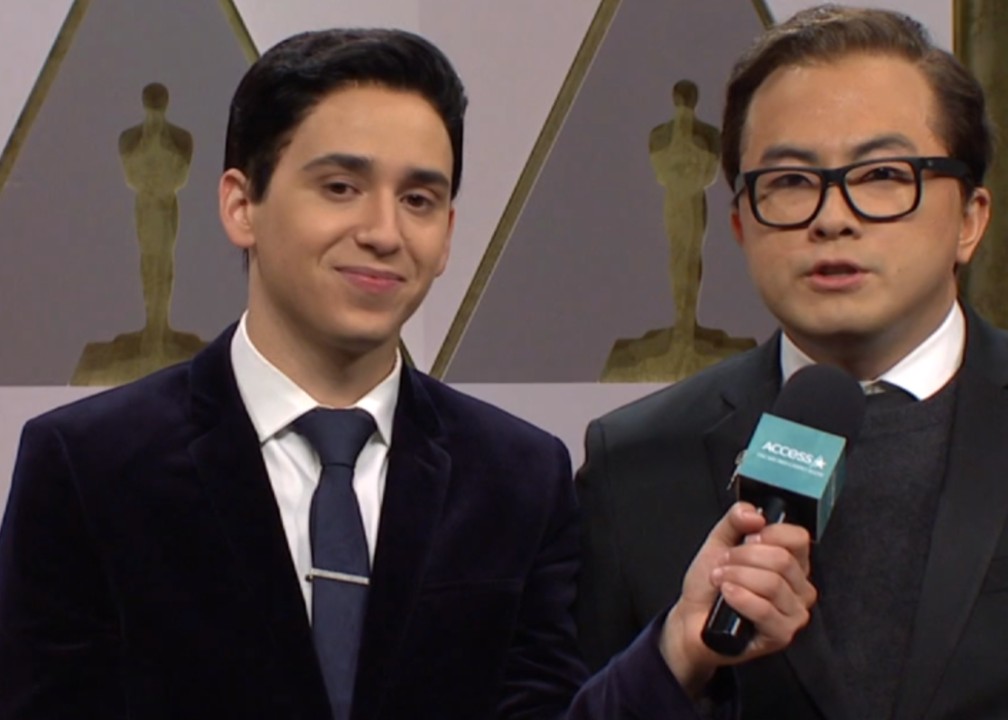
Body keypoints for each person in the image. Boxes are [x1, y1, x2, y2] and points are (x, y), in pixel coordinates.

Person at [0, 28, 817, 720]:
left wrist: (678, 644)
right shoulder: (87, 465)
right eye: (341, 187)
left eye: (420, 199)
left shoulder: (518, 474)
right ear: (240, 203)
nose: (384, 232)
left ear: (449, 229)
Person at [575, 6, 1008, 719]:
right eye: (789, 181)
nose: (832, 216)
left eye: (882, 173)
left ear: (971, 218)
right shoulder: (634, 462)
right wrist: (677, 657)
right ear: (739, 225)